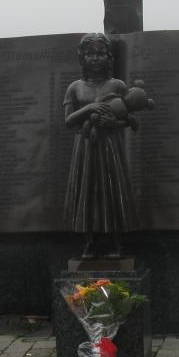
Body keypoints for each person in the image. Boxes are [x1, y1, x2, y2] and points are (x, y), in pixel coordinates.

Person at [63, 33, 139, 258]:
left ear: (109, 58)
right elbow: (68, 121)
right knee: (87, 189)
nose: (95, 58)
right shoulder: (75, 87)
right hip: (85, 147)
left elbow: (132, 120)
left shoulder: (117, 85)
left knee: (112, 189)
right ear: (82, 58)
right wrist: (89, 109)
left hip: (110, 146)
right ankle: (90, 241)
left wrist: (114, 122)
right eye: (89, 54)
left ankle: (116, 242)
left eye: (100, 54)